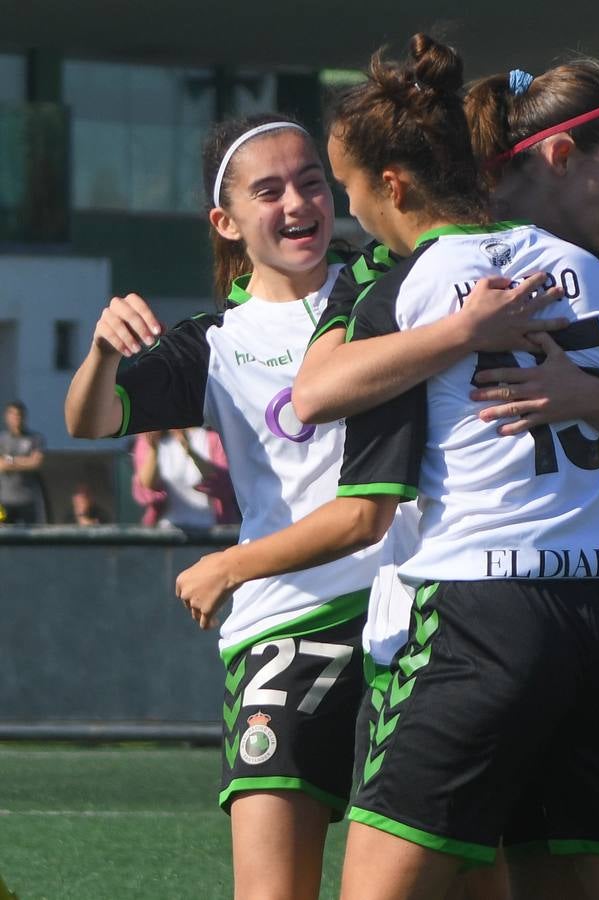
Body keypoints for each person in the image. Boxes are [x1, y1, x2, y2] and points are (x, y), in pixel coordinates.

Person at [293, 37, 599, 899]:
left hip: (481, 607)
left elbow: (315, 396)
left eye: (348, 192)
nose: (346, 212)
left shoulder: (405, 278)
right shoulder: (597, 271)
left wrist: (457, 334)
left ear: (393, 186)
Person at [62, 113, 407, 900]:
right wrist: (103, 349)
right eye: (270, 189)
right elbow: (88, 418)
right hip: (284, 631)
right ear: (226, 221)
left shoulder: (387, 285)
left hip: (409, 620)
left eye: (311, 180)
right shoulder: (217, 340)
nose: (298, 202)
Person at [132, 427, 239, 528]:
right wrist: (154, 450)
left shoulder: (214, 437)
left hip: (211, 532)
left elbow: (225, 485)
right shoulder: (148, 437)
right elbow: (146, 487)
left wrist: (190, 451)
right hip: (165, 532)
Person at [0, 401, 47, 524]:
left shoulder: (35, 439)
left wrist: (10, 460)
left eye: (19, 415)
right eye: (13, 414)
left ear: (24, 417)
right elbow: (1, 465)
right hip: (4, 500)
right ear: (7, 417)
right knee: (3, 536)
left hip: (28, 500)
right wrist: (24, 461)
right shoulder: (2, 440)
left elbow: (36, 463)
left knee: (31, 538)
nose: (16, 418)